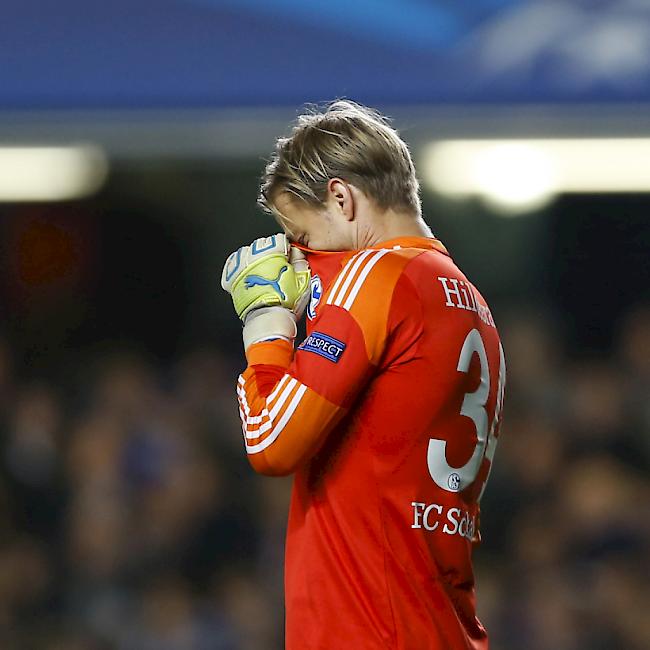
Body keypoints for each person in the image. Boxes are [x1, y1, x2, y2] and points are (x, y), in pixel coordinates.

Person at [221, 100, 506, 649]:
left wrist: (264, 320)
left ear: (342, 198)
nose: (301, 259)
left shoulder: (379, 274)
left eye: (303, 235)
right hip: (436, 623)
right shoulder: (471, 301)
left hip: (370, 628)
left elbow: (270, 440)